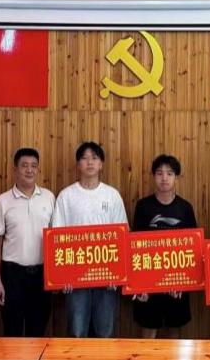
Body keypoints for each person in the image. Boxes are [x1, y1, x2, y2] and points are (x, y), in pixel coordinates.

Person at [52, 141, 128, 338]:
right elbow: (57, 237)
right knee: (77, 333)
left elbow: (123, 236)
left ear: (101, 164)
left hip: (107, 277)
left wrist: (118, 274)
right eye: (85, 158)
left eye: (94, 158)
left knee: (105, 333)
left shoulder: (112, 195)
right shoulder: (66, 196)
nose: (90, 162)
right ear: (78, 164)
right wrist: (62, 276)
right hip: (75, 278)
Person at [0, 148, 55, 336]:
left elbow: (56, 241)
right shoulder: (3, 200)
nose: (29, 170)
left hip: (42, 275)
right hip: (12, 275)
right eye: (24, 165)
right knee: (12, 332)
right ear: (15, 170)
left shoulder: (49, 197)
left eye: (34, 166)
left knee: (38, 332)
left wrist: (56, 278)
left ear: (38, 169)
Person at [131, 155, 198, 338]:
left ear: (176, 177)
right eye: (160, 173)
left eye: (169, 173)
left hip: (176, 281)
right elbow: (134, 246)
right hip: (148, 281)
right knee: (148, 333)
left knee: (175, 334)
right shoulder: (143, 206)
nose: (164, 178)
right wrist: (140, 284)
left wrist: (184, 282)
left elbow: (193, 248)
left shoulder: (185, 208)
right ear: (154, 176)